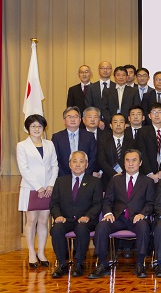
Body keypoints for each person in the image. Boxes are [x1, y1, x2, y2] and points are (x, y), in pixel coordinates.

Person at [88, 149, 155, 279]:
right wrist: (108, 213)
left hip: (137, 218)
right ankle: (102, 264)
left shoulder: (147, 181)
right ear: (124, 163)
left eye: (134, 160)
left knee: (143, 227)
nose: (130, 163)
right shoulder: (115, 180)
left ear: (140, 163)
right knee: (101, 226)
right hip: (117, 218)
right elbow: (107, 201)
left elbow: (150, 203)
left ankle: (140, 264)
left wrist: (143, 214)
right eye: (127, 160)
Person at [50, 151, 102, 278]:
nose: (78, 164)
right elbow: (54, 204)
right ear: (69, 164)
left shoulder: (94, 182)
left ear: (86, 164)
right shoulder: (60, 181)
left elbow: (98, 204)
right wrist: (58, 216)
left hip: (86, 220)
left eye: (81, 161)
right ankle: (62, 264)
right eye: (74, 161)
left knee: (81, 228)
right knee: (56, 229)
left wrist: (88, 216)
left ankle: (79, 264)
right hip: (65, 219)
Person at [17, 114, 59, 269]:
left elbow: (54, 166)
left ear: (43, 128)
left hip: (47, 189)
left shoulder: (49, 144)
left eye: (39, 126)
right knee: (31, 221)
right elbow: (24, 169)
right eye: (33, 126)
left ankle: (41, 252)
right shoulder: (22, 146)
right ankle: (31, 253)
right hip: (31, 188)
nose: (36, 129)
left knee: (43, 221)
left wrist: (50, 185)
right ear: (28, 128)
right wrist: (38, 187)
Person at [51, 106, 97, 177]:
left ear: (80, 120)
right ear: (64, 121)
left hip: (85, 177)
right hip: (63, 178)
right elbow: (55, 159)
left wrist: (84, 175)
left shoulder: (89, 136)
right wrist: (65, 177)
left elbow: (93, 157)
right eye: (69, 117)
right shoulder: (57, 137)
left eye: (75, 117)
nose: (73, 119)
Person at [136, 103, 161, 184]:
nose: (156, 115)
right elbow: (142, 153)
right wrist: (150, 174)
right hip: (147, 176)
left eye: (159, 112)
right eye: (153, 112)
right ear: (149, 116)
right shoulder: (142, 132)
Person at [97, 114, 135, 188]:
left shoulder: (132, 142)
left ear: (125, 125)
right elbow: (102, 161)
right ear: (111, 125)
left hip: (127, 178)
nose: (118, 124)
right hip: (108, 179)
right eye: (115, 122)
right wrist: (115, 174)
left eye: (121, 122)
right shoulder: (103, 142)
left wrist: (123, 174)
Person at [85, 61, 115, 128]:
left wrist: (113, 121)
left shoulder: (116, 87)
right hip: (95, 123)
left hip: (113, 123)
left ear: (111, 71)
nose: (105, 70)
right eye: (102, 68)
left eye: (108, 68)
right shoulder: (91, 87)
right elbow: (89, 106)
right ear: (98, 70)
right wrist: (97, 120)